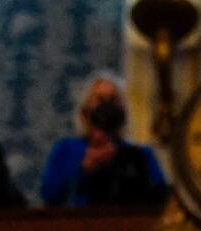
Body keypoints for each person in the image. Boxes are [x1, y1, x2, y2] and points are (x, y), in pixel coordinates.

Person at [39, 74, 168, 209]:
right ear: (85, 112)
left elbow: (160, 197)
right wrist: (84, 169)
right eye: (100, 100)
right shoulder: (65, 149)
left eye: (113, 99)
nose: (107, 106)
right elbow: (49, 196)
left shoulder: (140, 154)